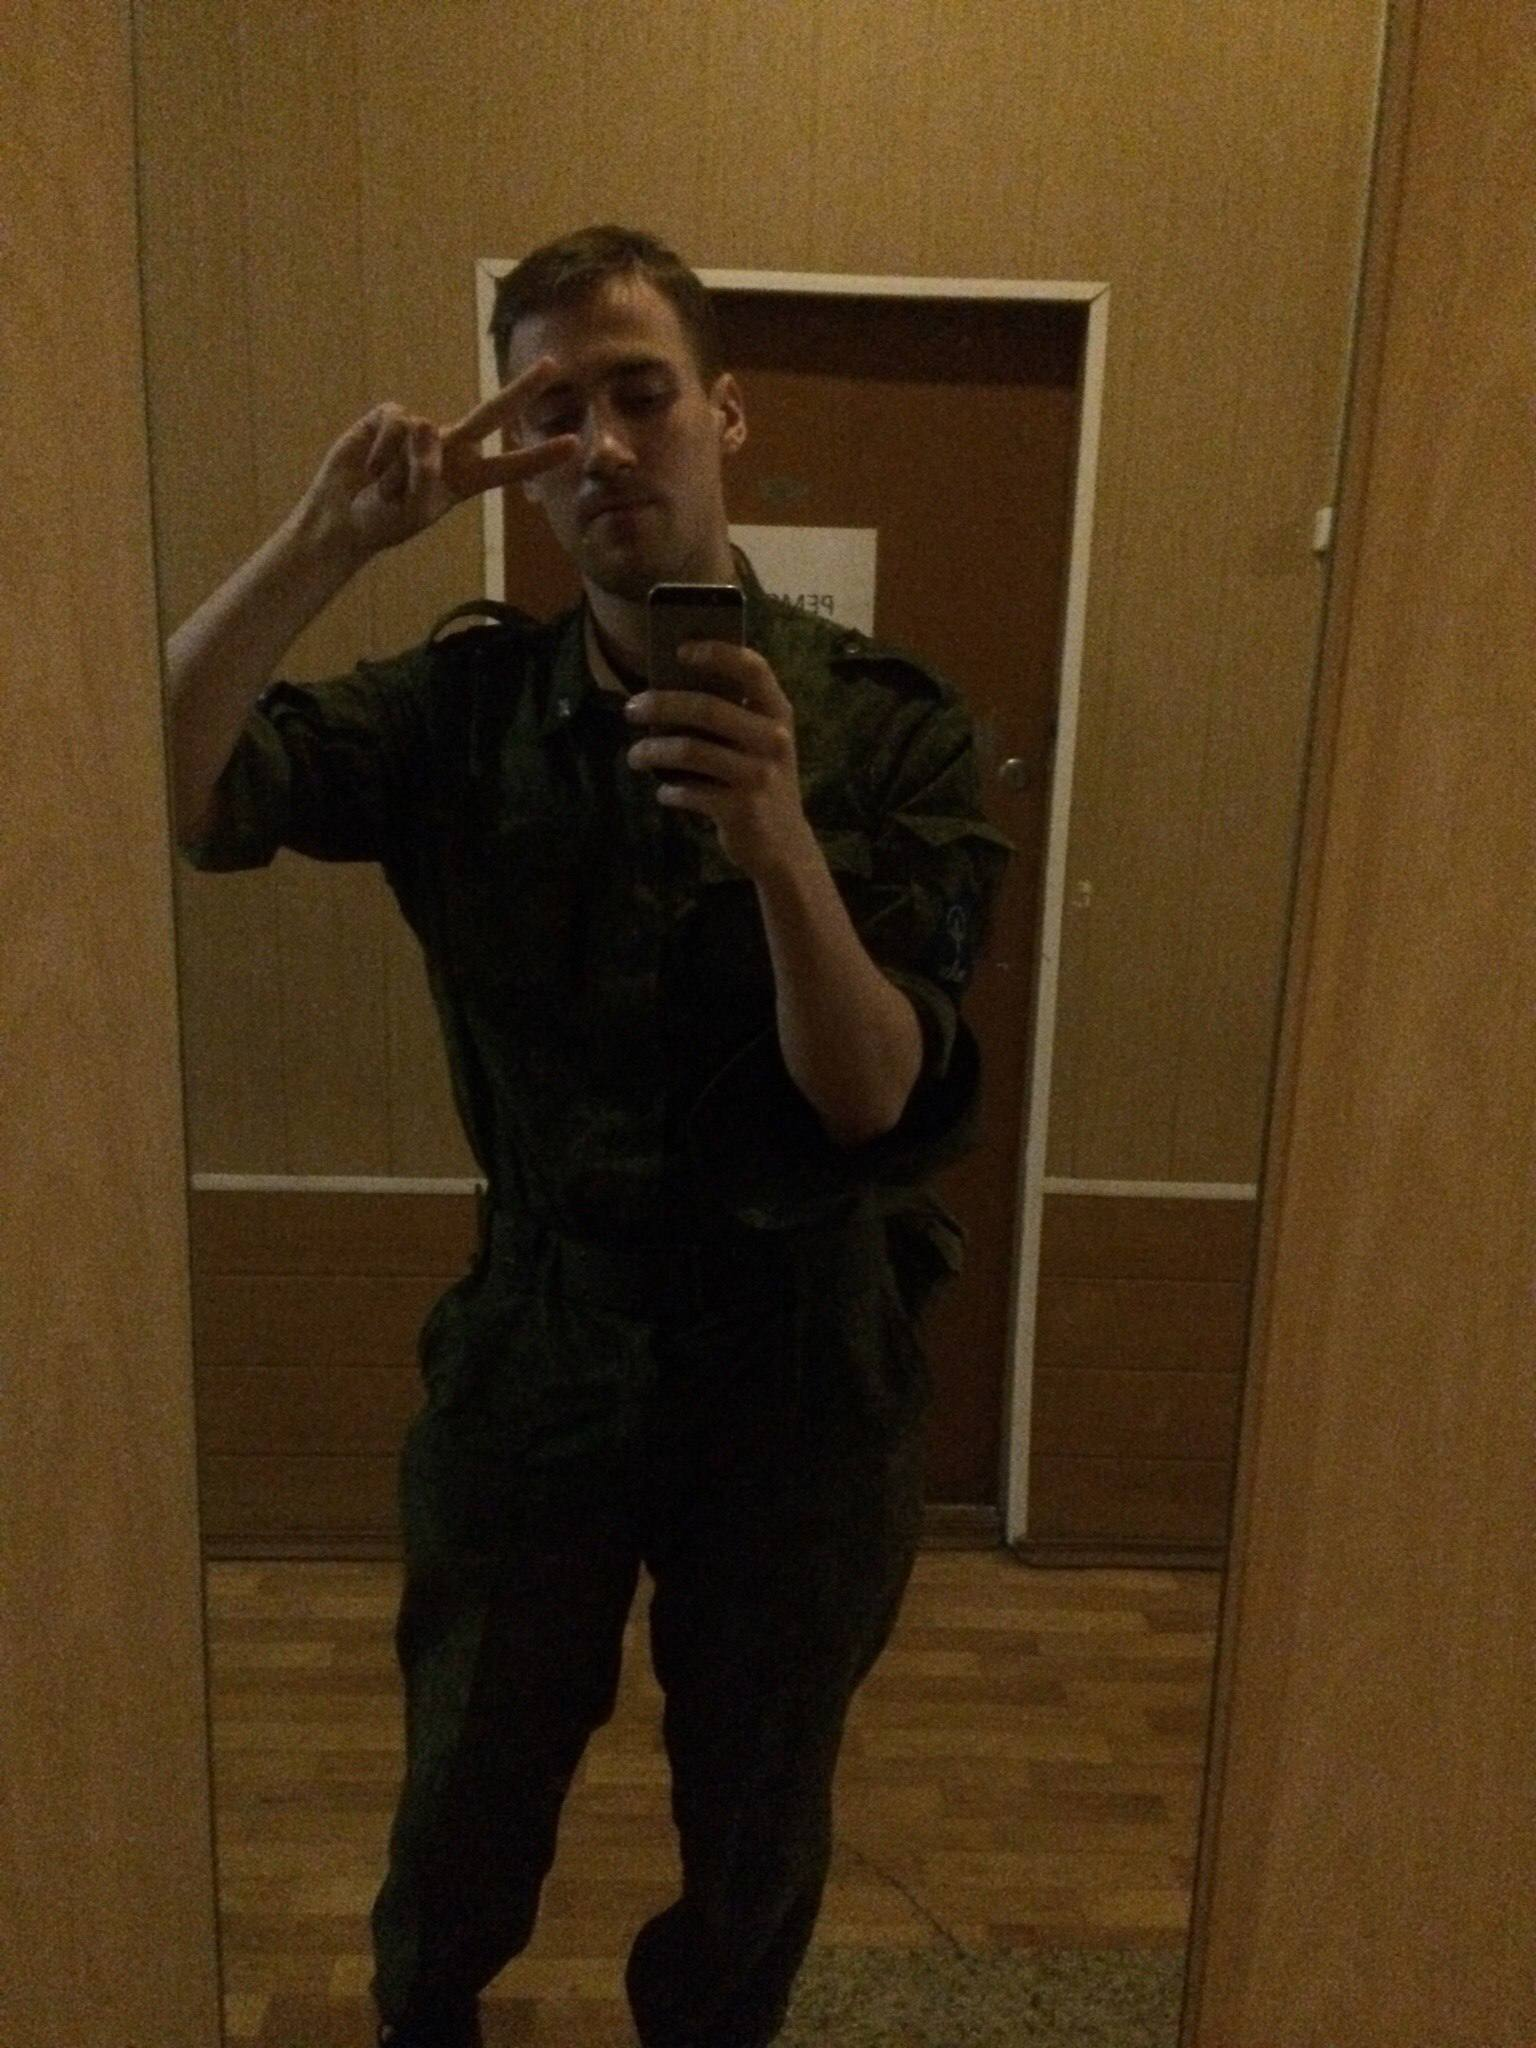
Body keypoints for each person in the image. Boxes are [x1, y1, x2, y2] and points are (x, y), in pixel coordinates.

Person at [168, 225, 1011, 2048]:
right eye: (554, 412)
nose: (606, 444)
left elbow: (871, 1095)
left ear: (727, 412)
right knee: (465, 1793)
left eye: (642, 393)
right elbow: (155, 772)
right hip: (541, 1347)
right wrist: (326, 542)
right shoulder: (459, 715)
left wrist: (782, 848)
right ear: (520, 454)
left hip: (804, 1365)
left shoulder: (890, 733)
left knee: (758, 1823)